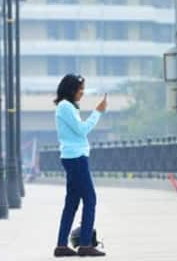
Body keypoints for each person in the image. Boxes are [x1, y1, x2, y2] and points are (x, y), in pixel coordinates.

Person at [53, 74, 107, 257]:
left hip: (74, 157)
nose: (82, 93)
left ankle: (61, 245)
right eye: (79, 89)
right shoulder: (65, 107)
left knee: (72, 203)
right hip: (76, 158)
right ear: (71, 89)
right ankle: (85, 244)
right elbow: (82, 130)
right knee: (90, 199)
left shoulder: (66, 107)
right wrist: (97, 112)